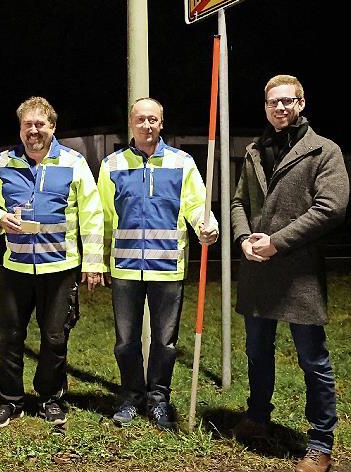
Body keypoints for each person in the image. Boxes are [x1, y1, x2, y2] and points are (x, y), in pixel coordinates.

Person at [230, 75, 348, 472]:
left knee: (312, 360)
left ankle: (320, 443)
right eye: (272, 102)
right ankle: (258, 417)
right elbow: (237, 202)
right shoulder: (252, 151)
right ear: (265, 106)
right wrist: (244, 238)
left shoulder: (323, 151)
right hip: (258, 272)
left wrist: (277, 241)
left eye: (286, 101)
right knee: (257, 353)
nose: (279, 108)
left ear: (301, 102)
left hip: (299, 274)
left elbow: (331, 207)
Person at [0, 96, 104, 428]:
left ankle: (50, 398)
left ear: (52, 127)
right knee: (8, 336)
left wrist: (92, 263)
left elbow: (91, 216)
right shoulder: (3, 163)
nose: (34, 131)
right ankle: (8, 401)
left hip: (60, 269)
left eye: (40, 125)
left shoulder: (73, 163)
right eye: (27, 125)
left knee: (55, 337)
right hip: (16, 267)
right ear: (20, 129)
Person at [97, 97, 218, 430]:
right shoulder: (113, 165)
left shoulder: (182, 163)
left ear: (161, 124)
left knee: (164, 342)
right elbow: (103, 218)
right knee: (126, 341)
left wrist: (207, 225)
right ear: (131, 124)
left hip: (167, 267)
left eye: (153, 119)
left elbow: (196, 205)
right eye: (141, 119)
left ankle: (159, 400)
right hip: (124, 267)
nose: (147, 125)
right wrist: (96, 261)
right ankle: (131, 396)